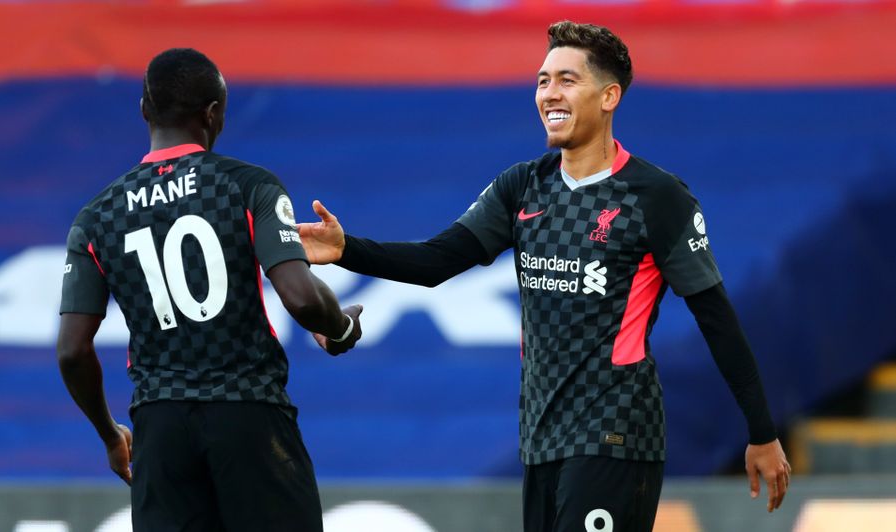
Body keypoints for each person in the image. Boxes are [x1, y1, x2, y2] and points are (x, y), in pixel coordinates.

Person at [297, 21, 790, 532]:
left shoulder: (656, 197)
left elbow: (717, 319)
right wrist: (346, 249)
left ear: (608, 96)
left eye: (567, 80)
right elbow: (435, 262)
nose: (549, 93)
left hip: (616, 431)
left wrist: (761, 430)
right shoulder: (523, 186)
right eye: (542, 80)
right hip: (541, 435)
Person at [56, 48, 362, 532]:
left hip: (160, 432)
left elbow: (72, 352)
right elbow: (302, 298)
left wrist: (110, 433)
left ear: (144, 111)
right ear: (214, 112)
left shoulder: (96, 217)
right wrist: (341, 326)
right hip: (251, 418)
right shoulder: (247, 187)